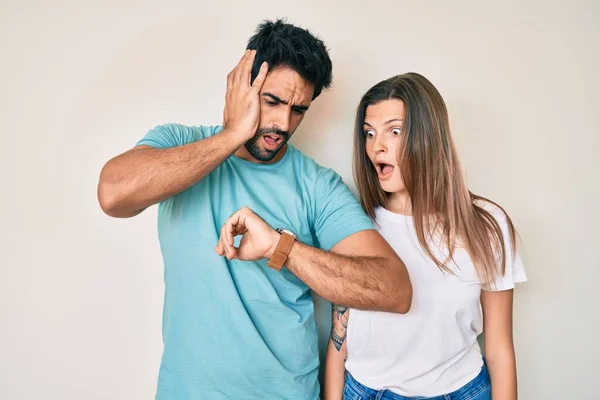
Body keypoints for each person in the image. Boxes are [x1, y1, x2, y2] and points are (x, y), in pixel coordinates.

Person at [97, 19, 412, 400]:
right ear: (244, 85)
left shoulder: (317, 185)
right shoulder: (178, 144)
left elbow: (394, 290)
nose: (282, 122)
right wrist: (232, 135)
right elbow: (112, 195)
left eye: (299, 109)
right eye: (272, 101)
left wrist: (282, 248)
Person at [324, 72, 528, 400]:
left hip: (462, 391)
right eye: (369, 133)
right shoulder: (353, 222)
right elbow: (339, 337)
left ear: (428, 136)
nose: (377, 146)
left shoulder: (488, 226)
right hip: (367, 392)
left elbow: (499, 349)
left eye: (395, 130)